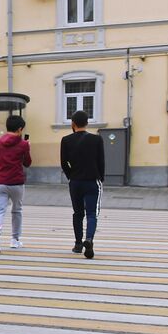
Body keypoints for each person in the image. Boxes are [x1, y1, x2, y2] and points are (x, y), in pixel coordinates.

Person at [60, 109, 106, 259]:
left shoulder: (66, 140)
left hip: (75, 183)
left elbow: (63, 163)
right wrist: (100, 177)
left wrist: (71, 176)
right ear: (87, 123)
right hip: (92, 181)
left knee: (78, 213)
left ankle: (78, 244)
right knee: (92, 213)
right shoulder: (97, 139)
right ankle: (89, 239)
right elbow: (101, 161)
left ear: (73, 123)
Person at [0, 114, 32, 253]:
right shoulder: (23, 144)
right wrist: (28, 148)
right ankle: (15, 240)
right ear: (20, 129)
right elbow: (27, 163)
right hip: (16, 183)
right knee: (17, 210)